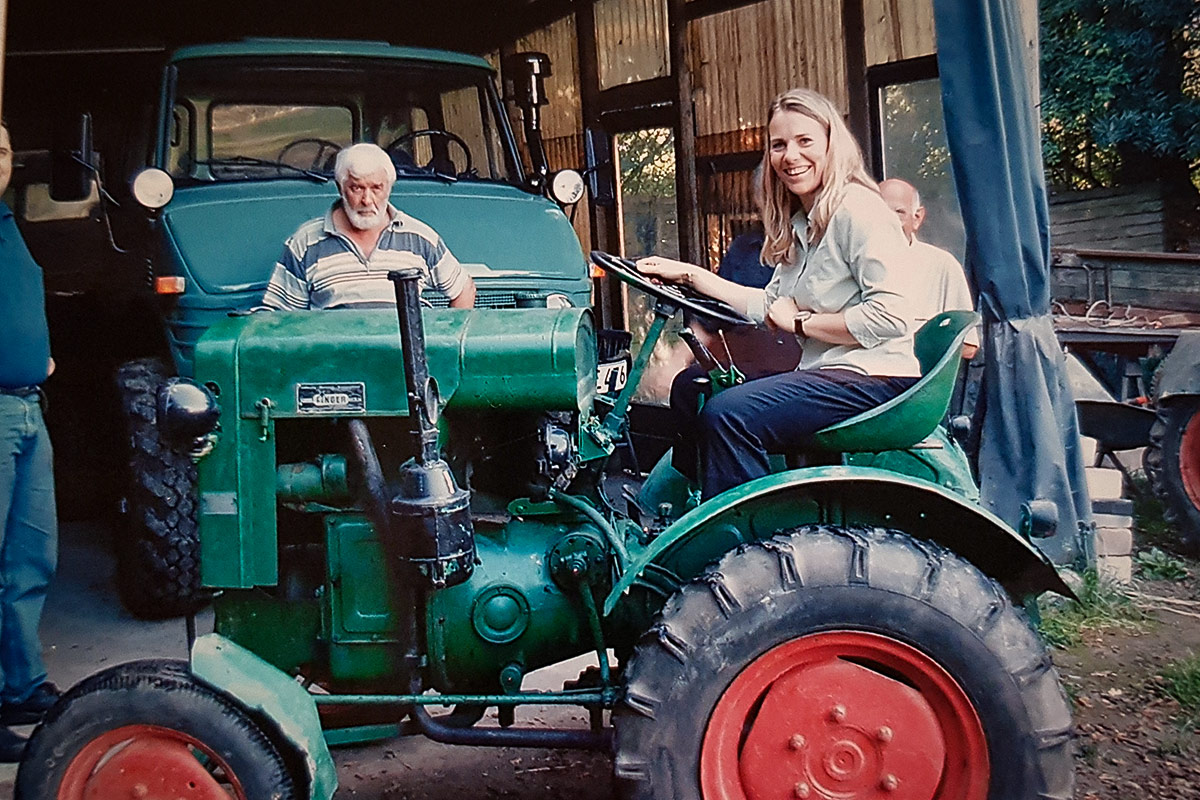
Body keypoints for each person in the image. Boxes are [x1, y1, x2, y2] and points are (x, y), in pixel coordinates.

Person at [639, 88, 920, 500]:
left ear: (831, 145)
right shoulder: (805, 223)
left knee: (729, 415)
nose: (791, 156)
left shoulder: (859, 210)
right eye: (779, 145)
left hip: (873, 375)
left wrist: (804, 323)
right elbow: (770, 308)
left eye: (805, 141)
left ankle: (749, 538)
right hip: (828, 370)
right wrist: (689, 275)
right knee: (692, 387)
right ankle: (694, 510)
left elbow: (891, 317)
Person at [0, 122, 62, 761]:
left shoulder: (7, 220)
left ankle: (19, 687)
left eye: (4, 149)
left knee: (29, 558)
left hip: (25, 408)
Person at [261, 142, 476, 310]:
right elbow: (280, 317)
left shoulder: (419, 237)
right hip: (336, 364)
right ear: (340, 188)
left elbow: (464, 291)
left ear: (389, 188)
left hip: (404, 364)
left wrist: (442, 352)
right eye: (357, 188)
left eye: (376, 188)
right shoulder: (305, 243)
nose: (367, 199)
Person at [878, 178, 978, 358]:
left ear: (917, 218)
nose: (889, 222)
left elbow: (968, 346)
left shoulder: (941, 265)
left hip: (914, 376)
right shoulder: (849, 263)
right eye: (880, 213)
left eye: (899, 212)